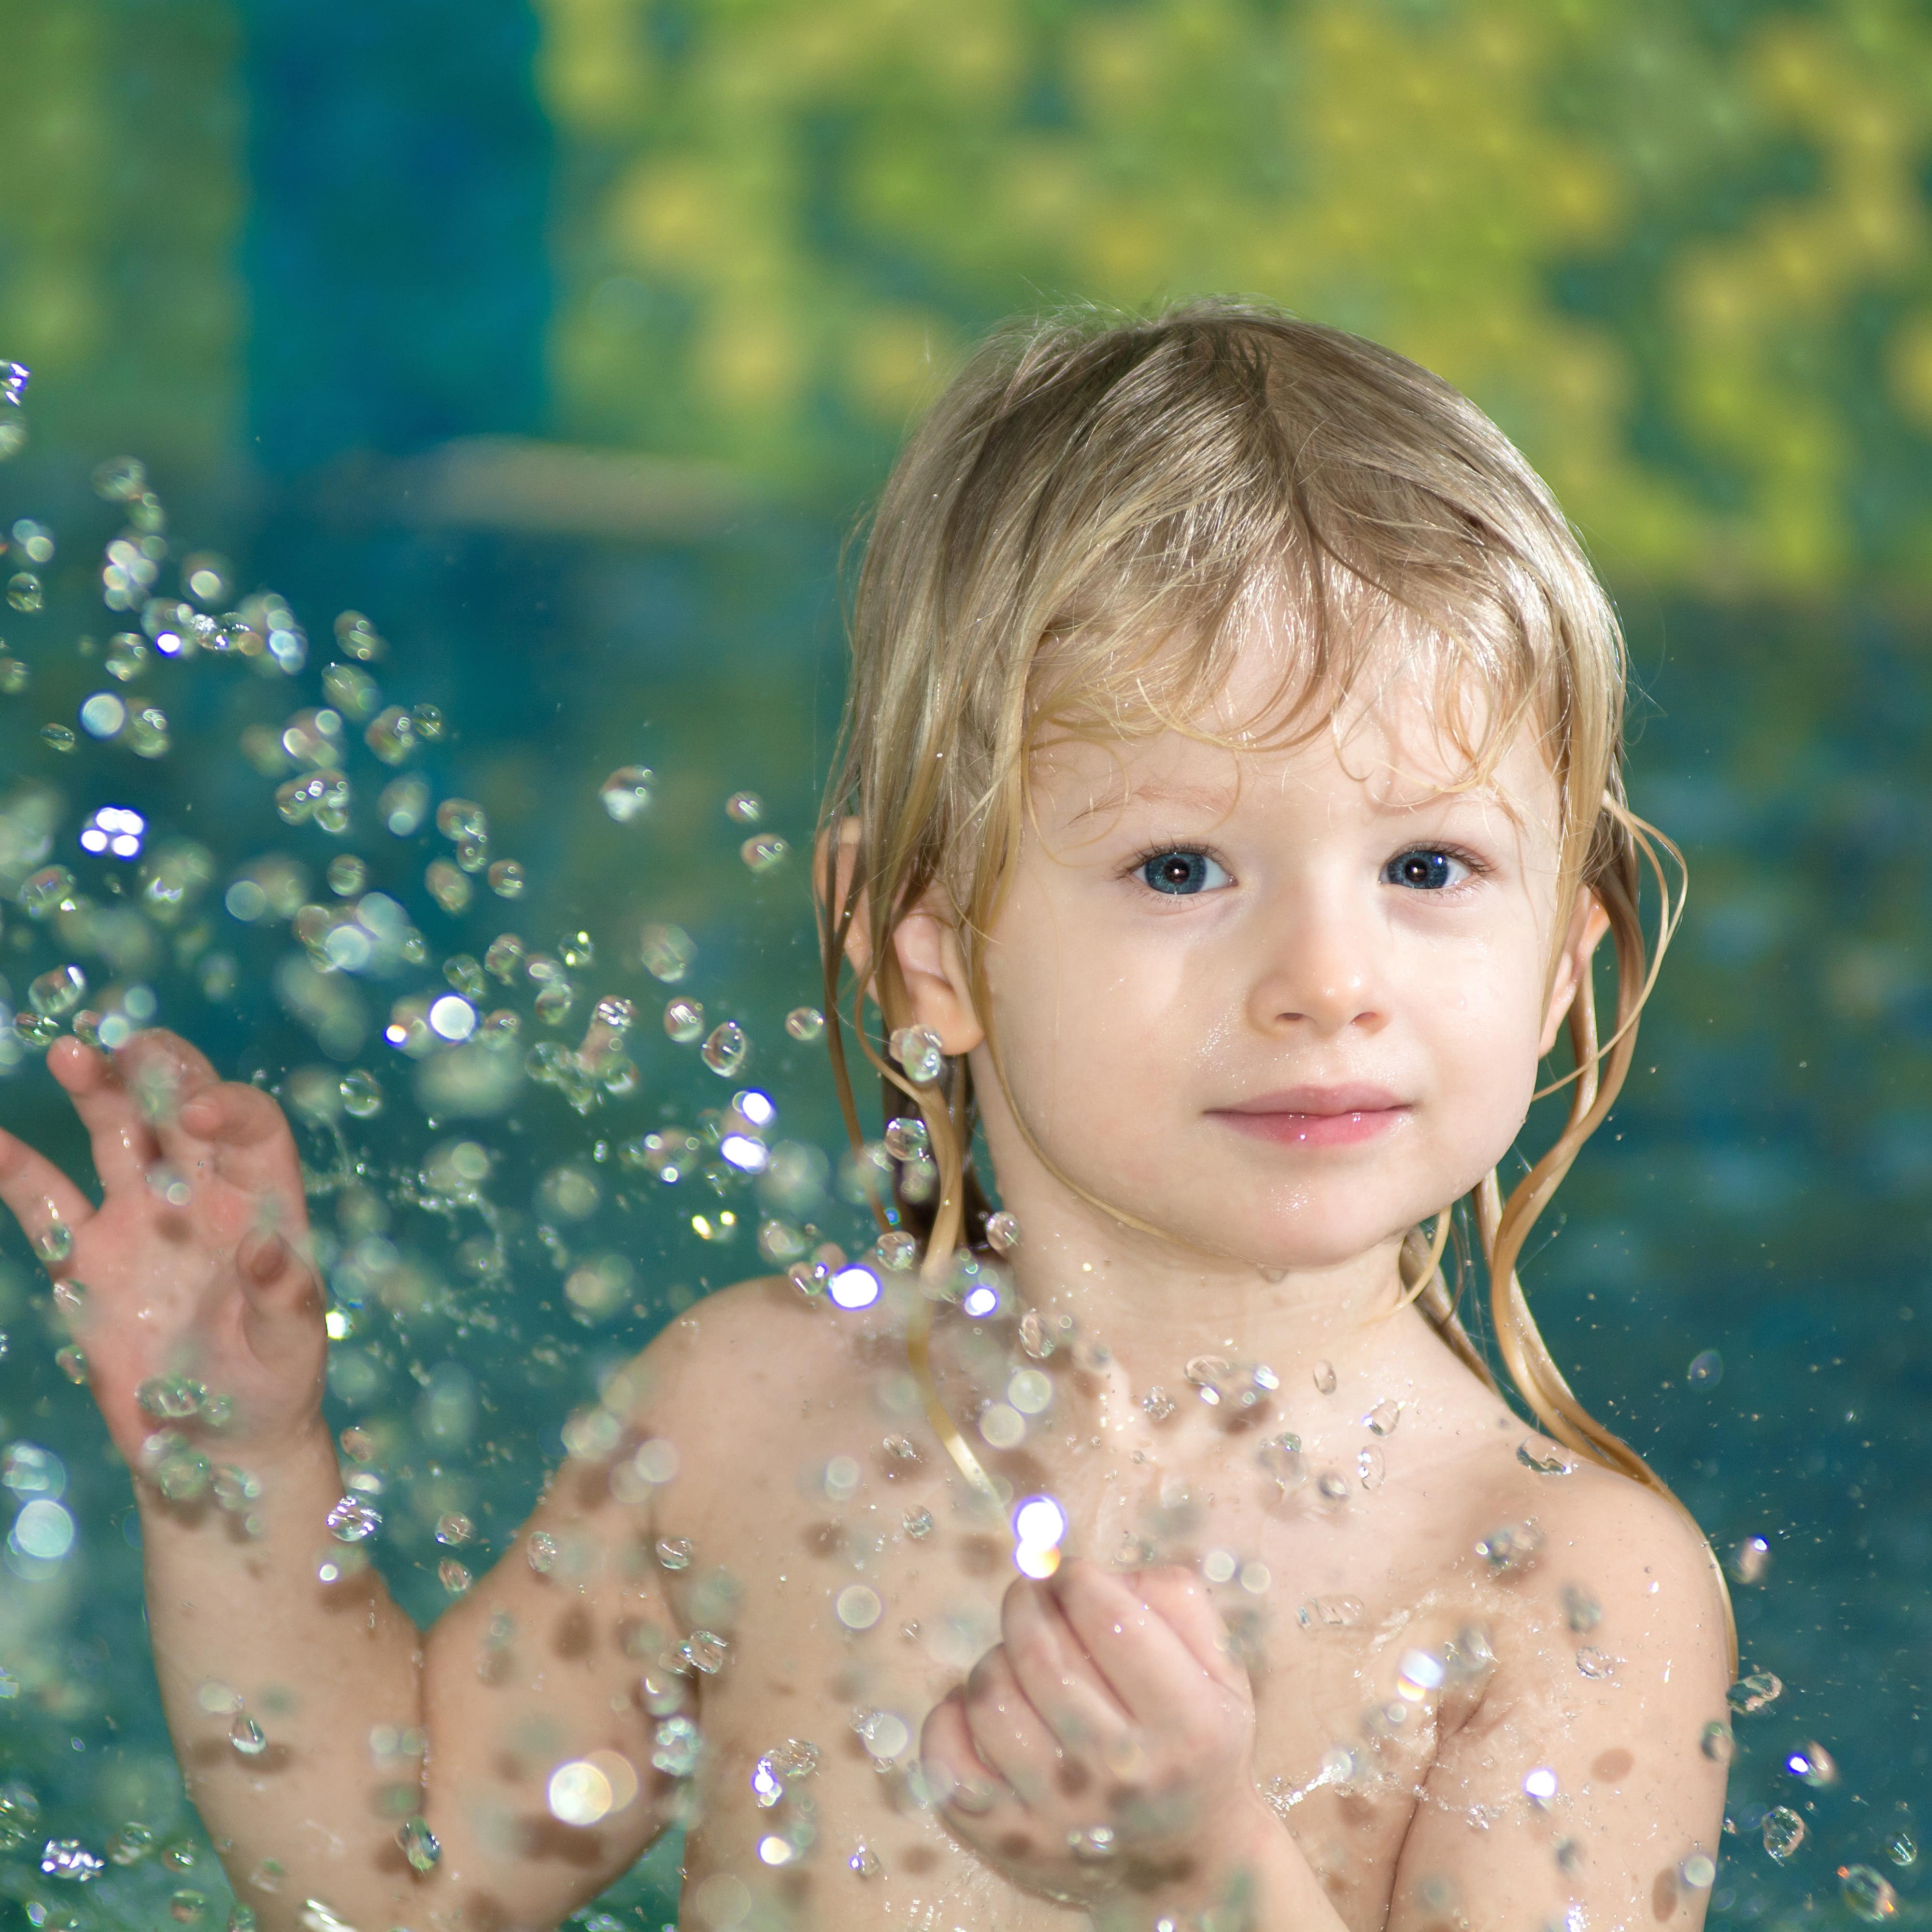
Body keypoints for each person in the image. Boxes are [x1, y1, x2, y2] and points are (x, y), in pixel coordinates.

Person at [0, 300, 1734, 1932]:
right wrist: (238, 1474)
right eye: (1180, 866)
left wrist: (1206, 1882)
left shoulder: (1568, 1595)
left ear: (1565, 963)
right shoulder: (756, 1416)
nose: (1325, 978)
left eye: (1429, 864)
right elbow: (398, 1870)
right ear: (929, 952)